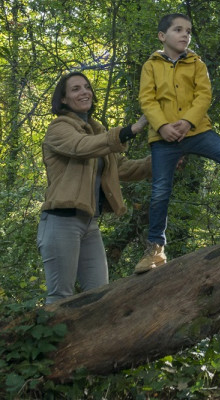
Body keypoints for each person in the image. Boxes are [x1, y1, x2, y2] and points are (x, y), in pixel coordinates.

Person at [135, 12, 220, 273]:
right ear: (162, 36)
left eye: (188, 30)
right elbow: (147, 100)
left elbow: (203, 95)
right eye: (178, 30)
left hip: (197, 130)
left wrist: (187, 122)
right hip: (163, 137)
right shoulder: (151, 65)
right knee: (160, 192)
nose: (185, 34)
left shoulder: (196, 63)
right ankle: (155, 250)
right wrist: (164, 126)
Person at [38, 71, 151, 305]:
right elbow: (81, 147)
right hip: (60, 220)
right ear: (63, 99)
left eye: (87, 87)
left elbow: (122, 168)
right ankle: (54, 341)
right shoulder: (58, 129)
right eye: (76, 89)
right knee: (60, 297)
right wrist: (130, 130)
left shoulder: (98, 132)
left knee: (99, 297)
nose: (84, 92)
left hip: (89, 223)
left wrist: (160, 162)